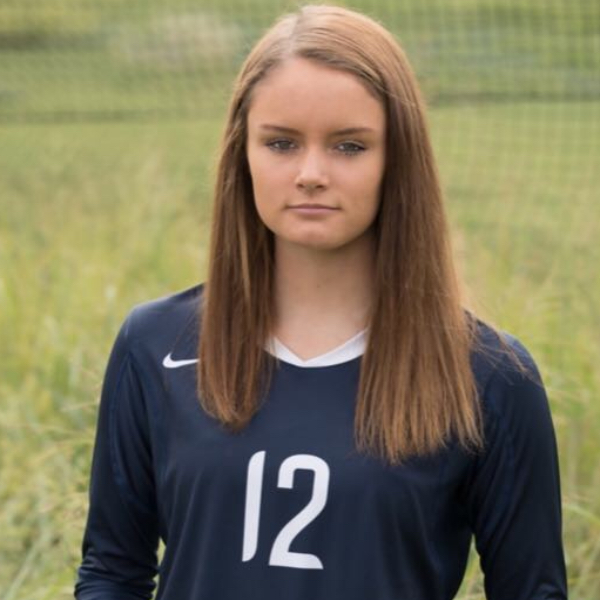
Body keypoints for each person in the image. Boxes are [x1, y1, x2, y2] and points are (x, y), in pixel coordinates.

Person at [74, 5, 567, 599]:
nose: (311, 172)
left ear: (398, 160)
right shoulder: (156, 345)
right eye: (281, 143)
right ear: (243, 153)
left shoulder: (488, 375)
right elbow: (112, 572)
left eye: (349, 146)